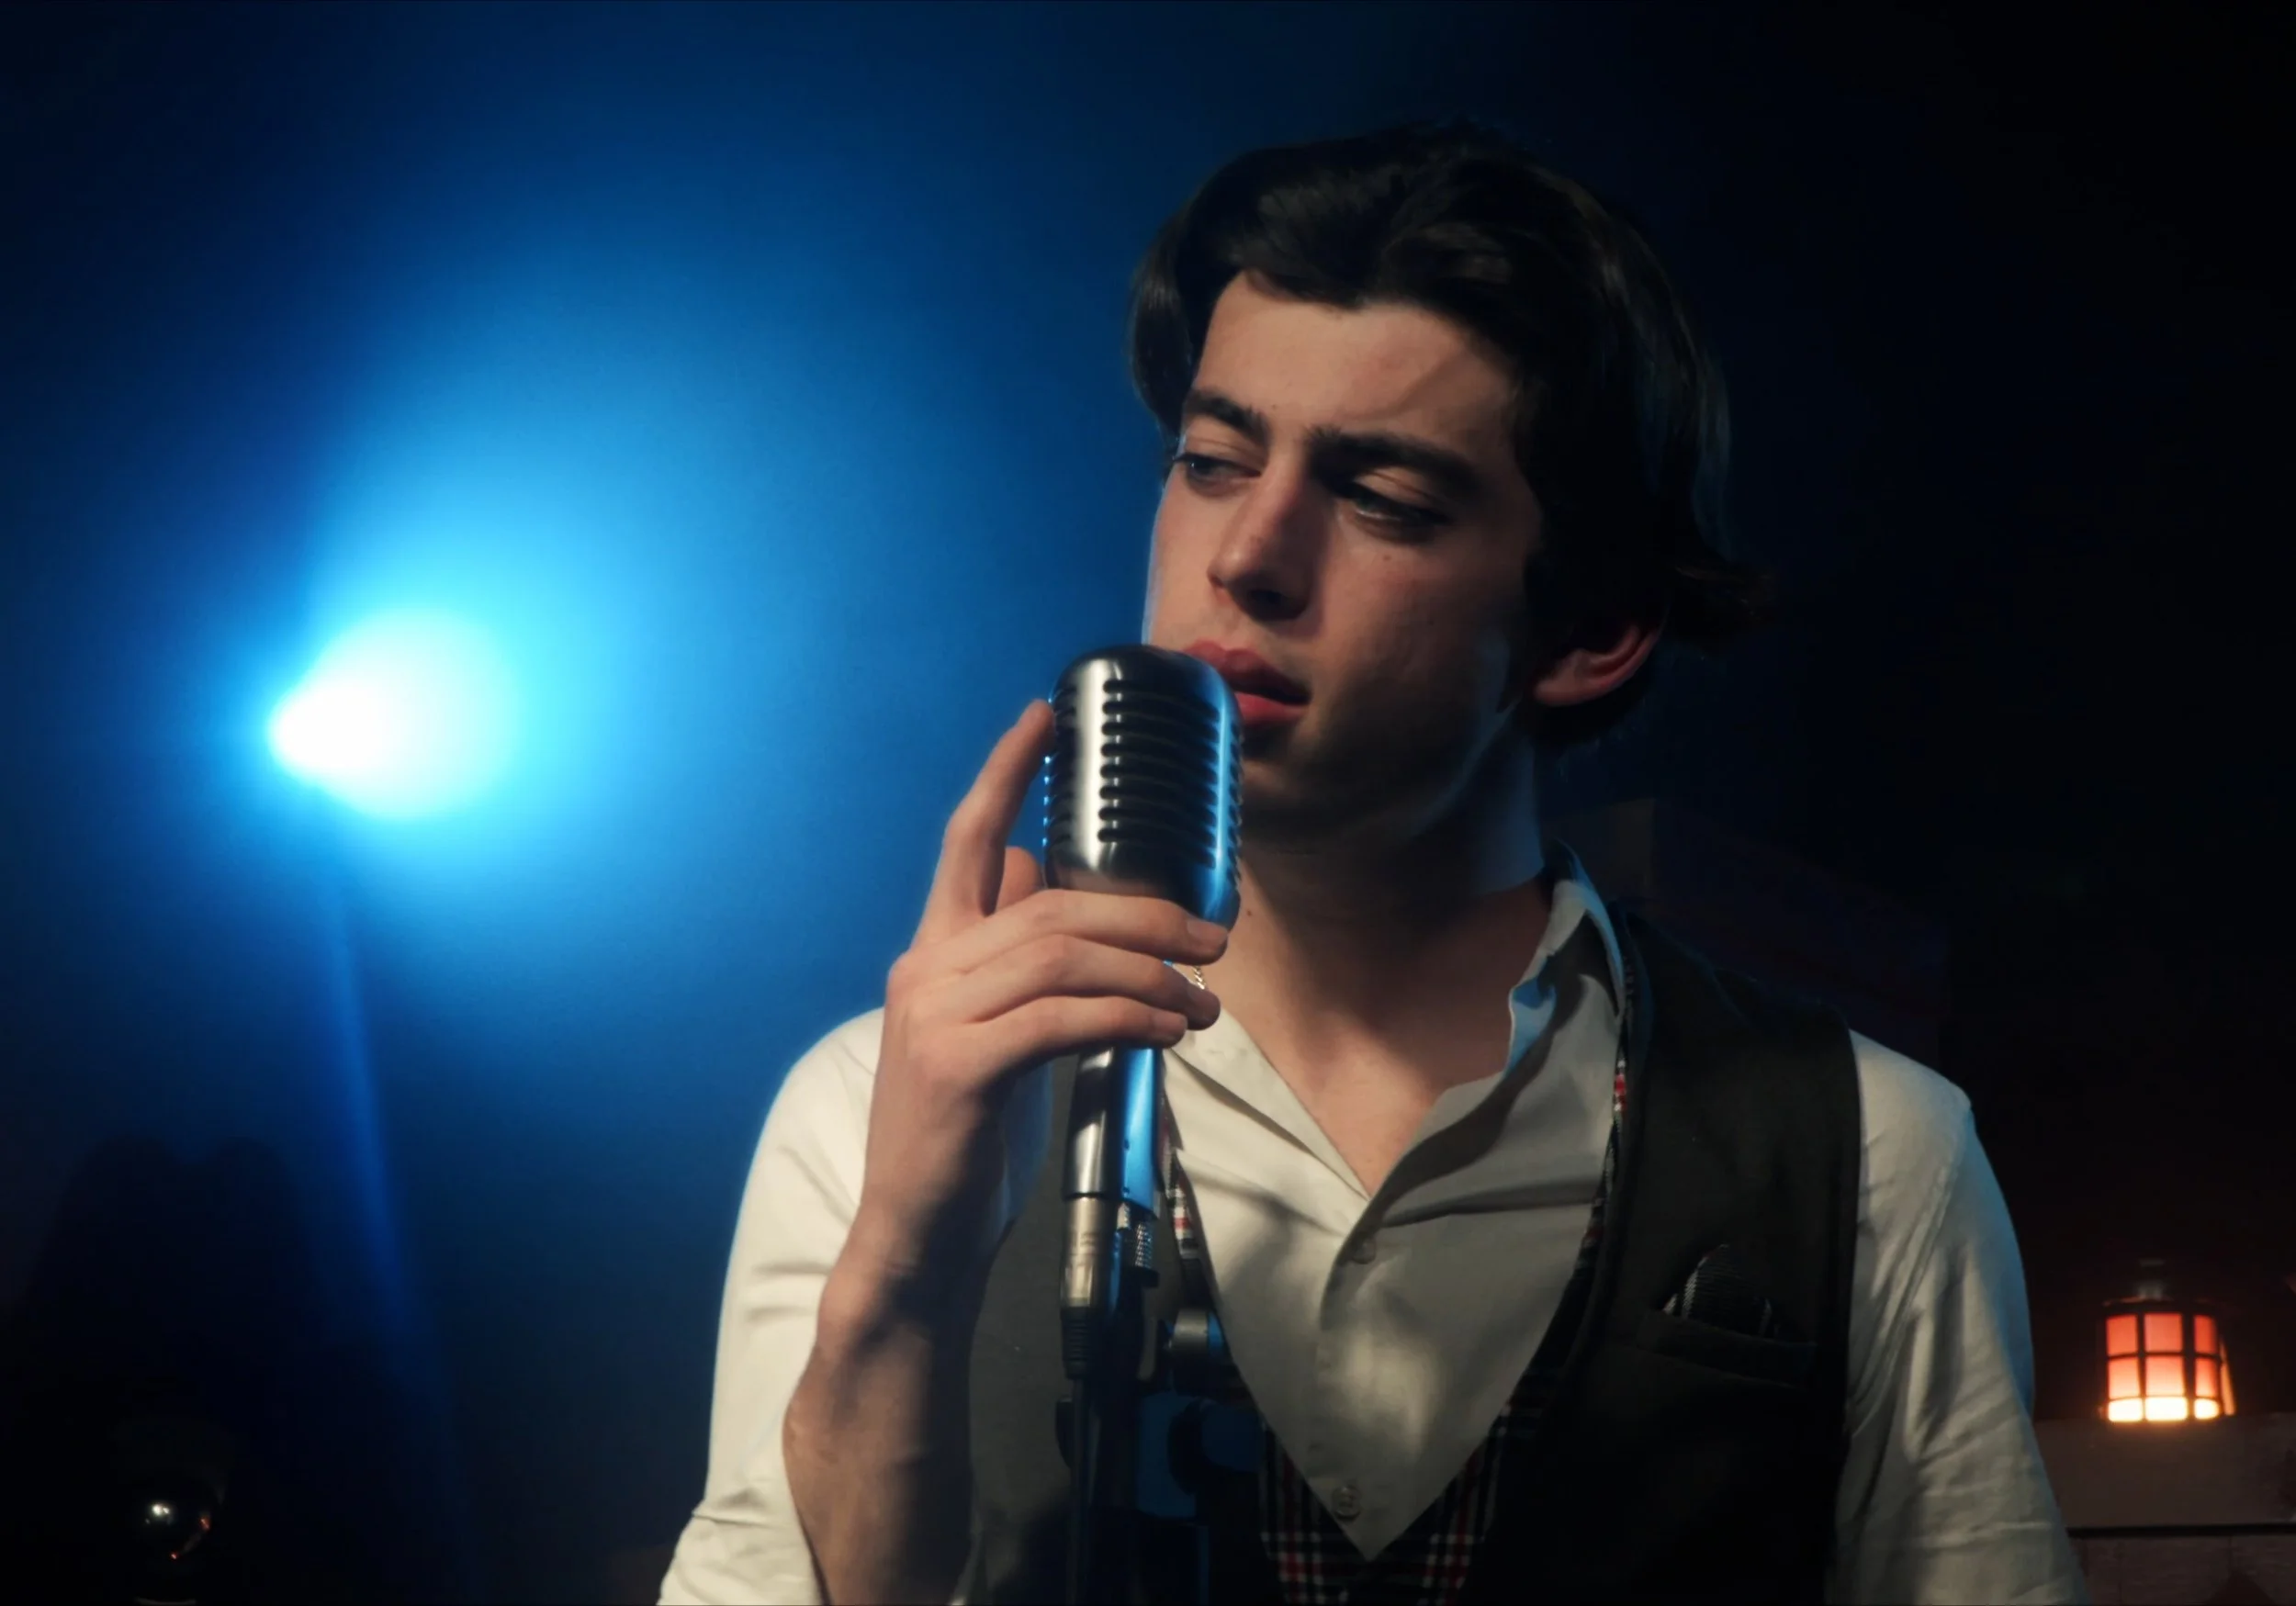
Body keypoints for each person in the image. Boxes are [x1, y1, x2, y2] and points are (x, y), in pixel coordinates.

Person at [661, 123, 2085, 1605]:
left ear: (1593, 628)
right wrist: (903, 1270)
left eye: (1384, 500)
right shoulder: (876, 1101)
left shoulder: (1866, 1152)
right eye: (1212, 460)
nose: (1250, 554)